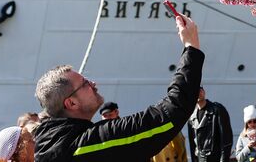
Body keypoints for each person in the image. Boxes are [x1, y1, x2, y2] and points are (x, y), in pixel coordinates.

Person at [33, 14, 203, 162]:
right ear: (71, 103)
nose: (93, 84)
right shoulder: (84, 145)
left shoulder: (48, 142)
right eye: (85, 84)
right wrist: (191, 47)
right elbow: (169, 114)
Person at [187, 87, 233, 162]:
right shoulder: (192, 116)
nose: (197, 93)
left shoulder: (217, 110)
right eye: (194, 91)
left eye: (199, 90)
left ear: (203, 91)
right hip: (200, 159)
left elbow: (226, 139)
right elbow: (192, 144)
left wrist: (224, 159)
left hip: (215, 158)